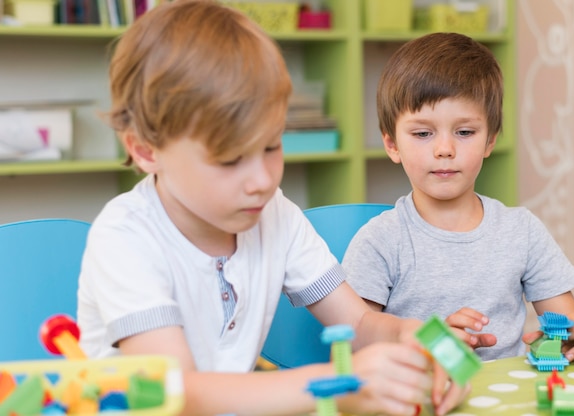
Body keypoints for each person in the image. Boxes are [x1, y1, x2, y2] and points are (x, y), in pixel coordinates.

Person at [76, 2, 469, 415]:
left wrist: (420, 343)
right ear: (145, 149)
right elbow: (174, 393)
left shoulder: (275, 214)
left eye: (271, 146)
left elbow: (359, 324)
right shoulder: (125, 237)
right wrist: (336, 384)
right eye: (229, 160)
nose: (263, 180)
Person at [342, 32, 574, 364]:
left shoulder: (521, 231)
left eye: (465, 132)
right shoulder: (379, 241)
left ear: (490, 141)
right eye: (423, 133)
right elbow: (354, 343)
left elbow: (567, 327)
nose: (444, 149)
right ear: (392, 144)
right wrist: (432, 341)